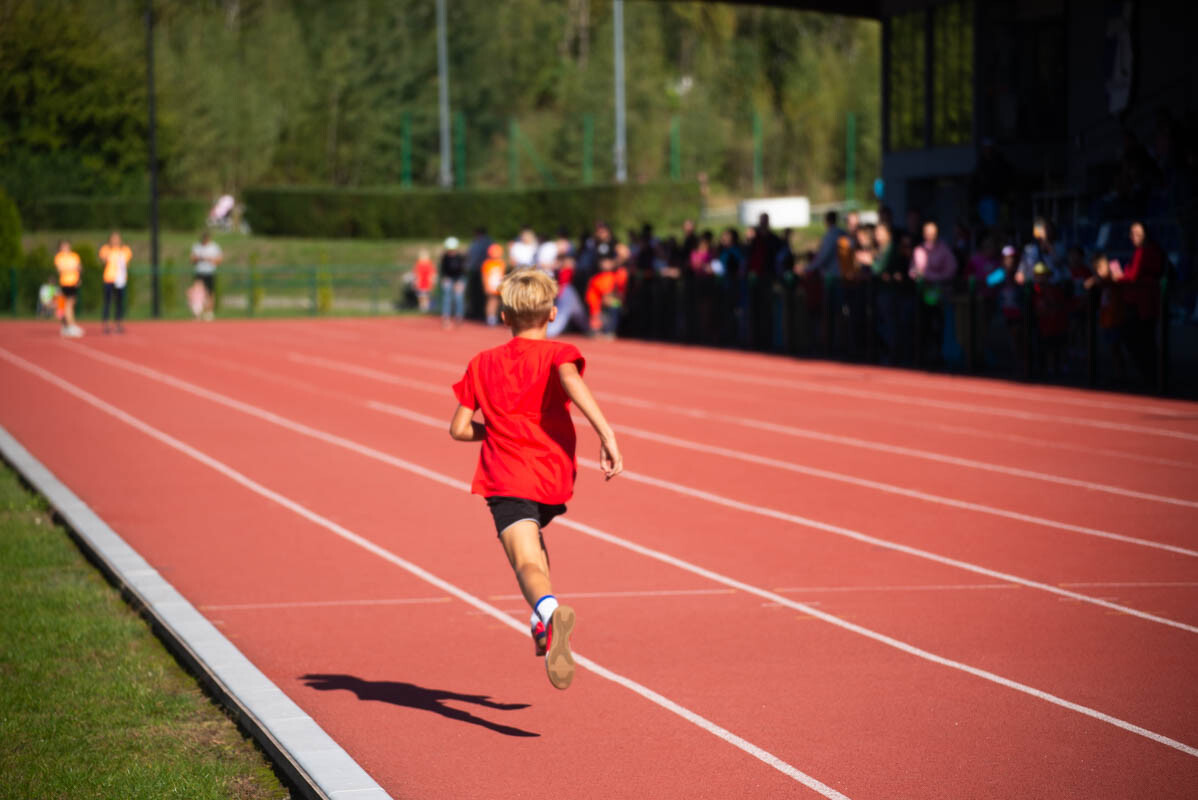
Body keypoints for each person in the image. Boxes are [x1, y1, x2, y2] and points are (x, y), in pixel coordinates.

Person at [449, 269, 623, 690]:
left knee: (525, 562)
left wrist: (496, 431)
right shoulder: (559, 353)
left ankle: (546, 611)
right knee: (538, 553)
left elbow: (458, 428)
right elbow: (570, 380)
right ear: (552, 313)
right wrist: (607, 434)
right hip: (552, 473)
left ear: (504, 316)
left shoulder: (482, 362)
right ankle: (540, 621)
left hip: (506, 474)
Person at [585, 253, 628, 338]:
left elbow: (618, 294)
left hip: (610, 303)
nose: (604, 264)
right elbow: (605, 297)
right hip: (597, 306)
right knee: (612, 306)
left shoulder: (618, 273)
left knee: (615, 306)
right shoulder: (599, 277)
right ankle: (603, 329)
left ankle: (609, 331)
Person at [99, 231, 132, 333]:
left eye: (117, 238)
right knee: (107, 302)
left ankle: (118, 323)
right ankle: (106, 324)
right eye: (113, 238)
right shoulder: (106, 249)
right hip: (109, 278)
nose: (115, 240)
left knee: (119, 302)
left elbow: (126, 264)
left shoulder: (125, 250)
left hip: (120, 280)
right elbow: (103, 261)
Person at [190, 232, 223, 321]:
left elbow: (219, 259)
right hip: (199, 272)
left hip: (210, 272)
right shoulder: (197, 246)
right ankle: (198, 313)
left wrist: (210, 259)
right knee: (198, 293)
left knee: (210, 292)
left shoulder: (214, 247)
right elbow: (192, 258)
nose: (205, 240)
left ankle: (209, 312)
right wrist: (200, 258)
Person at [54, 239, 83, 337]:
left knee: (71, 304)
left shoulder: (74, 256)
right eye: (63, 246)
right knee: (67, 305)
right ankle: (70, 325)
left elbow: (79, 268)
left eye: (66, 246)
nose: (65, 248)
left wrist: (78, 278)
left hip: (73, 283)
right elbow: (60, 269)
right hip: (65, 283)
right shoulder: (59, 257)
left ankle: (68, 325)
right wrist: (72, 268)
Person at [807, 210, 846, 275]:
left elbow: (824, 255)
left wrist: (809, 268)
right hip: (844, 271)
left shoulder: (830, 235)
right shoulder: (843, 233)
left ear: (827, 221)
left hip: (832, 273)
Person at [439, 237, 466, 326]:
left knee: (459, 298)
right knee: (447, 298)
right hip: (448, 279)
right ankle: (446, 317)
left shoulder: (460, 257)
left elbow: (463, 270)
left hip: (459, 279)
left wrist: (459, 282)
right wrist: (444, 279)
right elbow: (443, 270)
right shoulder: (445, 257)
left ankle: (459, 317)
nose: (451, 252)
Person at [481, 243, 507, 326]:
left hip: (498, 286)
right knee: (491, 301)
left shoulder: (501, 263)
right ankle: (490, 318)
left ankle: (496, 317)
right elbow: (484, 276)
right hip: (491, 285)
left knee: (498, 302)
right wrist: (486, 286)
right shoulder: (487, 263)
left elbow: (503, 275)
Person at [412, 248, 436, 313]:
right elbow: (416, 274)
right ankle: (422, 308)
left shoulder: (430, 264)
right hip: (420, 283)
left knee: (426, 296)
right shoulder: (418, 264)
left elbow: (432, 274)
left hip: (427, 283)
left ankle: (426, 308)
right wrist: (415, 282)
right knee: (421, 297)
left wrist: (432, 281)